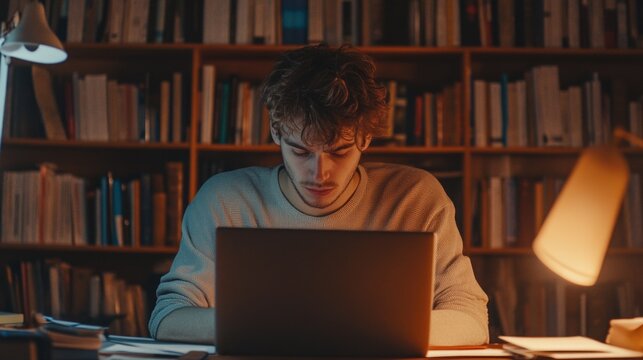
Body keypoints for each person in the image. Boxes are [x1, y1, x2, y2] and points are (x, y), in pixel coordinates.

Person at [149, 44, 489, 346]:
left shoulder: (416, 198)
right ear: (276, 132)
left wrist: (335, 328)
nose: (319, 173)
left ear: (366, 139)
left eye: (339, 152)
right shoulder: (223, 200)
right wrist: (323, 328)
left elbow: (470, 320)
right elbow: (168, 319)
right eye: (300, 151)